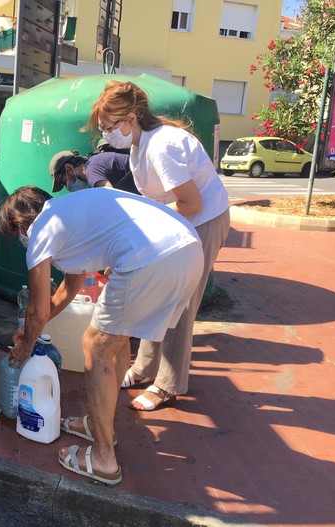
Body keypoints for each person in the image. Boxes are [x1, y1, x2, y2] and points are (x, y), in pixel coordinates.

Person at [0, 185, 203, 485]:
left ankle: (104, 457)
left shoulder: (43, 225)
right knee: (116, 343)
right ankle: (98, 425)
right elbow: (68, 290)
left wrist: (25, 345)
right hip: (186, 251)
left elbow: (36, 308)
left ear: (20, 222)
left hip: (151, 256)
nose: (20, 241)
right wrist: (33, 330)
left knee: (96, 345)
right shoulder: (71, 217)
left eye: (16, 234)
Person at [89, 80, 231, 411]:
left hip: (203, 222)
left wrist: (145, 230)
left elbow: (191, 203)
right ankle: (143, 368)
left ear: (132, 117)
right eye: (104, 128)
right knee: (158, 295)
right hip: (181, 223)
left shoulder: (161, 146)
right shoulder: (140, 144)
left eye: (110, 127)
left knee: (180, 303)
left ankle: (168, 385)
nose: (108, 134)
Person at [49, 149, 139, 195]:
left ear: (69, 168)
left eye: (63, 182)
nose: (67, 187)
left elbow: (111, 199)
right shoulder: (95, 162)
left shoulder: (92, 172)